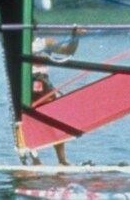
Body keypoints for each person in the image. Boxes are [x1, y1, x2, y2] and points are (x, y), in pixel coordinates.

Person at [25, 28, 81, 166]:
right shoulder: (17, 45)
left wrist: (75, 36)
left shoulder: (45, 43)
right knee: (28, 122)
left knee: (54, 121)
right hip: (25, 84)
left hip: (42, 83)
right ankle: (36, 160)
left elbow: (68, 52)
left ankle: (62, 160)